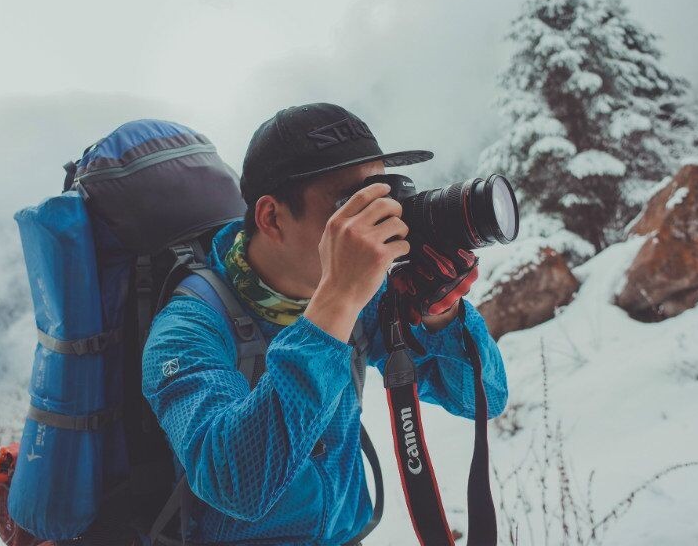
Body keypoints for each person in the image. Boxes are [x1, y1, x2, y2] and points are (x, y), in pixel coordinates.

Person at [142, 102, 508, 545]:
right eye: (349, 205)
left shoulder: (361, 298)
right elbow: (236, 485)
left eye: (381, 194)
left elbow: (483, 397)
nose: (374, 222)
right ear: (272, 217)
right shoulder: (186, 329)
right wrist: (336, 301)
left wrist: (440, 315)